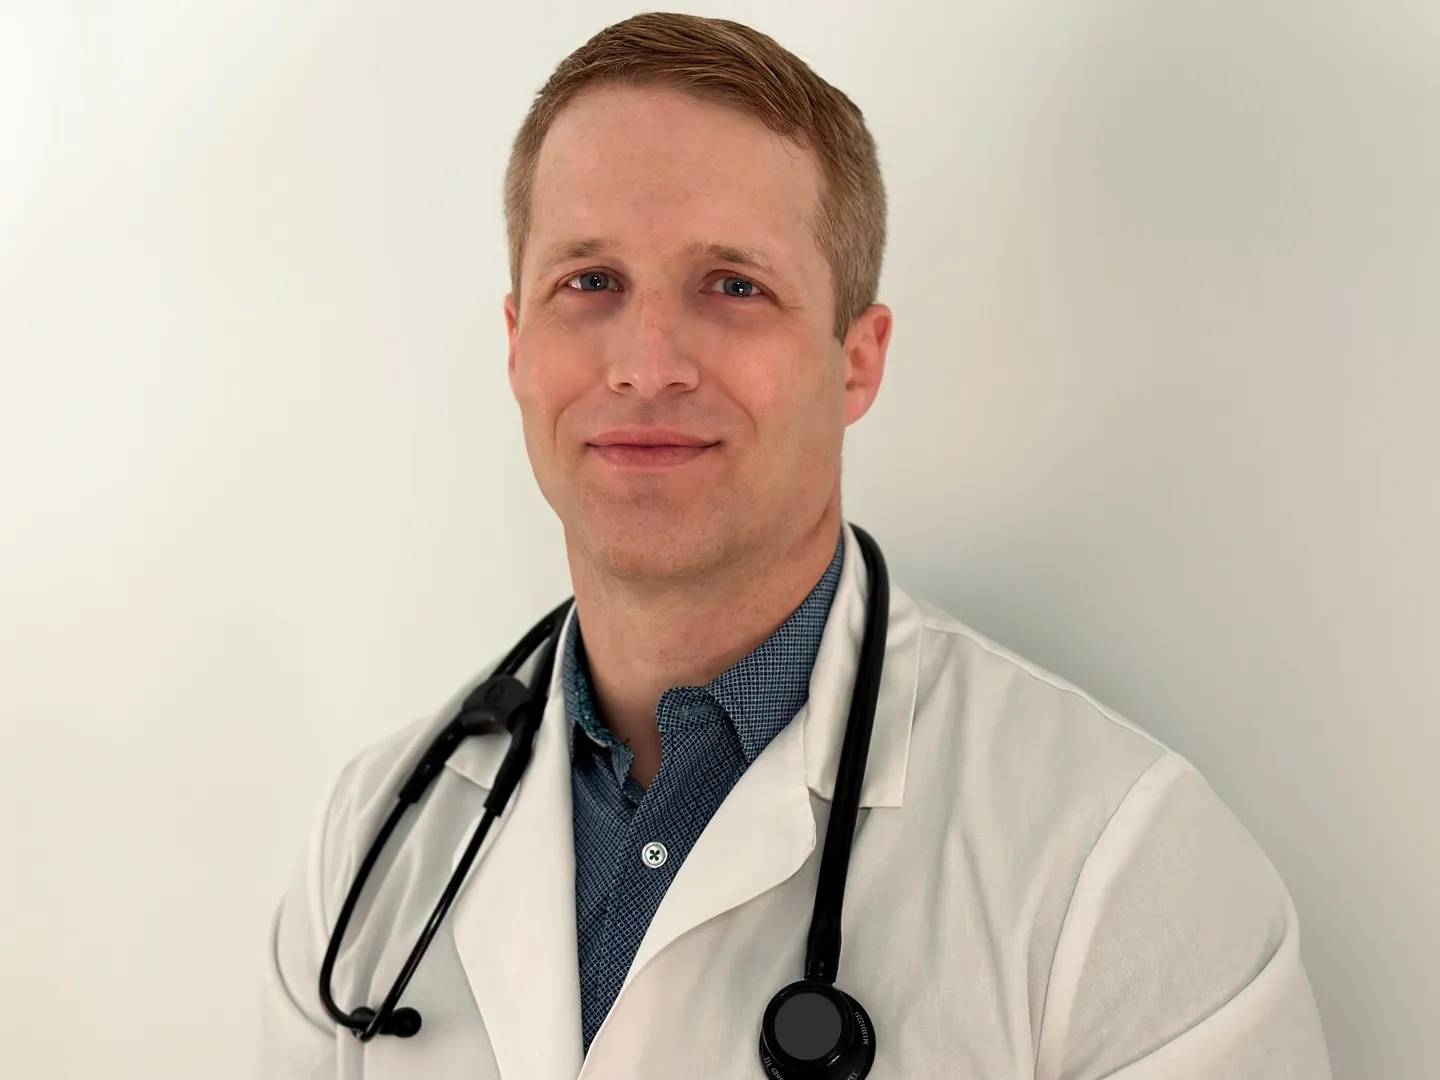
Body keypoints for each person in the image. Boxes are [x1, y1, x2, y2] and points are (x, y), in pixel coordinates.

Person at [259, 12, 1331, 1078]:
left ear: (857, 362)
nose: (647, 362)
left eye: (733, 286)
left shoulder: (1120, 871)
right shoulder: (368, 848)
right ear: (517, 345)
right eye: (589, 282)